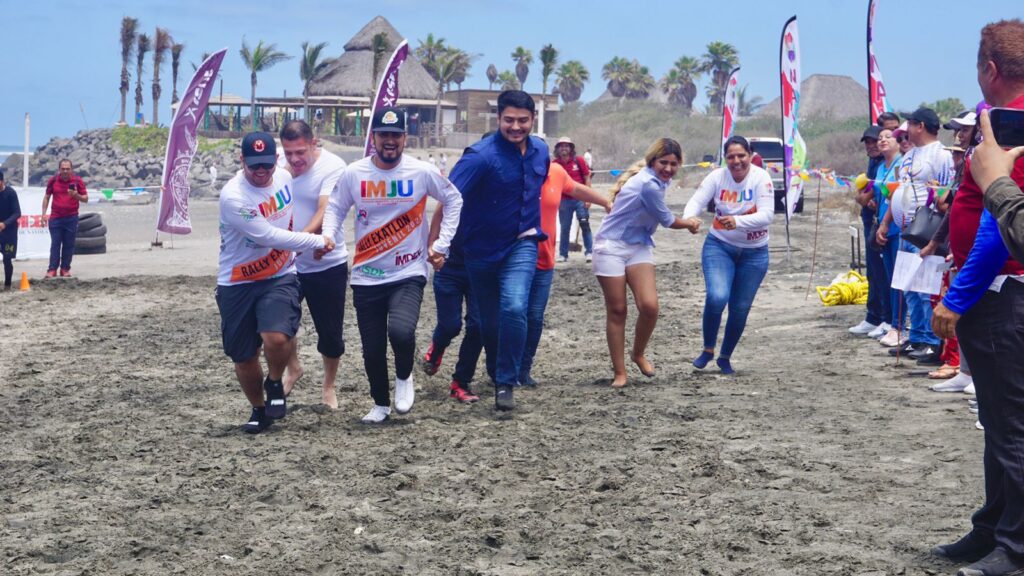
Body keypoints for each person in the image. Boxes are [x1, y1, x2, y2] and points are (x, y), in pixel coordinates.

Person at [929, 19, 1024, 576]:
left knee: (1011, 429)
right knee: (998, 424)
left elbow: (1000, 224)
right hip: (997, 291)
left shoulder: (1006, 130)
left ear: (990, 69)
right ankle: (993, 528)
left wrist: (957, 298)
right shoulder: (1006, 122)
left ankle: (1015, 546)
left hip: (999, 292)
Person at [322, 107, 462, 424]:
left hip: (408, 271)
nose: (389, 141)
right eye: (383, 134)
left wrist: (441, 244)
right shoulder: (354, 173)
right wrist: (329, 235)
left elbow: (454, 199)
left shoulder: (421, 171)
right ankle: (380, 405)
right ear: (373, 137)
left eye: (395, 135)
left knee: (400, 331)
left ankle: (403, 375)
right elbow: (335, 207)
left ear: (404, 138)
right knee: (372, 350)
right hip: (366, 275)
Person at [215, 131, 334, 434]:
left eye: (266, 164)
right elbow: (269, 236)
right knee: (244, 357)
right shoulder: (234, 197)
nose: (261, 171)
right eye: (254, 165)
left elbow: (319, 179)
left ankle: (275, 381)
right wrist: (316, 240)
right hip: (238, 281)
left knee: (277, 337)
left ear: (276, 160)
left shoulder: (283, 177)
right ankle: (258, 408)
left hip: (279, 275)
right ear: (242, 160)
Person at [447, 90, 548, 411]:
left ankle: (506, 382)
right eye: (509, 120)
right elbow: (449, 196)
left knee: (515, 307)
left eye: (523, 120)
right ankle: (495, 369)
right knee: (489, 323)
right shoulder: (480, 156)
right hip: (480, 250)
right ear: (498, 118)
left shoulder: (541, 151)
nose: (516, 127)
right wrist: (438, 242)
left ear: (533, 119)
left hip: (522, 243)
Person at [591, 138, 698, 388]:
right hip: (611, 246)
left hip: (638, 245)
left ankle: (637, 353)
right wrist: (690, 223)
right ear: (652, 161)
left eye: (673, 164)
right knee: (618, 310)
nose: (668, 168)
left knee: (650, 306)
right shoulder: (648, 184)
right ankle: (620, 372)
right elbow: (668, 220)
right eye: (663, 163)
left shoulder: (659, 180)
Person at [683, 135, 775, 375]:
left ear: (750, 155)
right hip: (720, 246)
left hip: (755, 253)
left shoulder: (761, 178)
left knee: (740, 307)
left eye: (741, 156)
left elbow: (767, 215)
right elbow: (696, 201)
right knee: (717, 296)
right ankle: (708, 349)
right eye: (731, 157)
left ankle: (725, 357)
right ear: (725, 158)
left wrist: (738, 221)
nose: (736, 161)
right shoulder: (717, 177)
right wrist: (689, 219)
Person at [277, 120, 348, 409]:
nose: (295, 159)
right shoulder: (280, 165)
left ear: (313, 143)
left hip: (327, 263)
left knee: (330, 334)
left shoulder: (333, 166)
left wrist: (300, 242)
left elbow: (325, 210)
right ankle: (293, 368)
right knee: (279, 326)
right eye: (289, 153)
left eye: (300, 152)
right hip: (288, 265)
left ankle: (328, 386)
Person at [521, 160, 611, 387]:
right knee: (512, 313)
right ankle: (502, 368)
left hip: (545, 258)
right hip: (514, 259)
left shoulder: (556, 171)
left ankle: (523, 369)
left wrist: (605, 202)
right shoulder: (514, 170)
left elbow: (577, 189)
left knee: (535, 317)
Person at [877, 107, 954, 365]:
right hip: (905, 229)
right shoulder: (909, 155)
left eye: (909, 124)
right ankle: (917, 335)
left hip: (926, 231)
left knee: (925, 288)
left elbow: (946, 193)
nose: (906, 130)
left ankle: (932, 341)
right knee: (908, 286)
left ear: (920, 126)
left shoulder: (941, 155)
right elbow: (898, 191)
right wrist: (886, 222)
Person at [849, 126, 890, 337]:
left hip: (883, 223)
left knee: (883, 274)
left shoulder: (886, 164)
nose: (871, 146)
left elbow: (868, 196)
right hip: (870, 222)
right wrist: (863, 197)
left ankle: (886, 319)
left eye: (875, 141)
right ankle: (873, 317)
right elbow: (863, 195)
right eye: (868, 142)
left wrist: (866, 198)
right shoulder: (873, 163)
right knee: (873, 273)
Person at [870, 129, 906, 348]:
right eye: (880, 138)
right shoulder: (880, 167)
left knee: (899, 279)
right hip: (883, 226)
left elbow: (897, 195)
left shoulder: (902, 164)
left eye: (888, 137)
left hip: (897, 226)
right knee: (889, 277)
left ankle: (899, 326)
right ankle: (892, 322)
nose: (882, 140)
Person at [41, 159, 88, 278]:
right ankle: (52, 269)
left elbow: (86, 199)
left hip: (71, 217)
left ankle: (65, 269)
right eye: (63, 169)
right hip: (55, 218)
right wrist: (43, 214)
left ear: (71, 169)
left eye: (68, 169)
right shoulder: (53, 180)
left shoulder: (77, 181)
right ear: (59, 169)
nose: (65, 171)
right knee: (55, 244)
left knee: (69, 244)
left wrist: (76, 195)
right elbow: (46, 197)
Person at [553, 136, 594, 263]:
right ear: (557, 149)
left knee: (584, 224)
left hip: (580, 198)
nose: (564, 148)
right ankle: (563, 254)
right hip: (564, 200)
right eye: (561, 146)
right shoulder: (555, 164)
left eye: (566, 146)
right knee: (565, 228)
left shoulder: (579, 160)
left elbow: (587, 177)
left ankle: (589, 252)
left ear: (571, 148)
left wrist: (588, 198)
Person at [0, 170, 21, 290]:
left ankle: (7, 285)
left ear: (2, 181)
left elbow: (17, 213)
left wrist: (5, 224)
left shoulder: (10, 193)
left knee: (7, 259)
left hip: (9, 232)